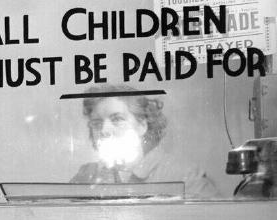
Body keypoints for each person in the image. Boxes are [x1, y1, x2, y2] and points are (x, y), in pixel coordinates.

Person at [70, 84, 220, 199]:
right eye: (96, 123)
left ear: (142, 125)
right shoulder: (87, 175)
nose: (104, 131)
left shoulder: (183, 175)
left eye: (117, 119)